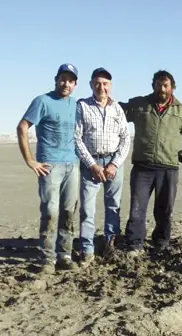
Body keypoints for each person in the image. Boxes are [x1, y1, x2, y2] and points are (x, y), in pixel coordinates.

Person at [119, 70, 182, 254]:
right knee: (137, 208)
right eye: (158, 85)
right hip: (143, 166)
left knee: (164, 209)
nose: (162, 89)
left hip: (168, 167)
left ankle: (161, 242)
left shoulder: (181, 111)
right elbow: (117, 112)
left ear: (172, 87)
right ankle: (134, 243)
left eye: (166, 86)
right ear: (153, 86)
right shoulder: (140, 104)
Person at [17, 63, 80, 273]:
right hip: (49, 166)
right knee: (50, 211)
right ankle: (47, 258)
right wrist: (30, 160)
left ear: (75, 84)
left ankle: (65, 255)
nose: (66, 84)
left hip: (72, 164)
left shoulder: (75, 105)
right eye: (63, 79)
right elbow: (22, 127)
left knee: (68, 211)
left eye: (70, 81)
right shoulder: (42, 101)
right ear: (56, 80)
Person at [74, 67, 131, 264]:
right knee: (88, 209)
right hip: (91, 165)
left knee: (113, 206)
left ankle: (110, 245)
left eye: (105, 83)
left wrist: (115, 164)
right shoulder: (82, 106)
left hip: (113, 163)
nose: (102, 87)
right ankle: (87, 250)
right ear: (91, 85)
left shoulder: (117, 109)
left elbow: (125, 138)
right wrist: (92, 165)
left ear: (110, 86)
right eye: (97, 83)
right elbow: (76, 138)